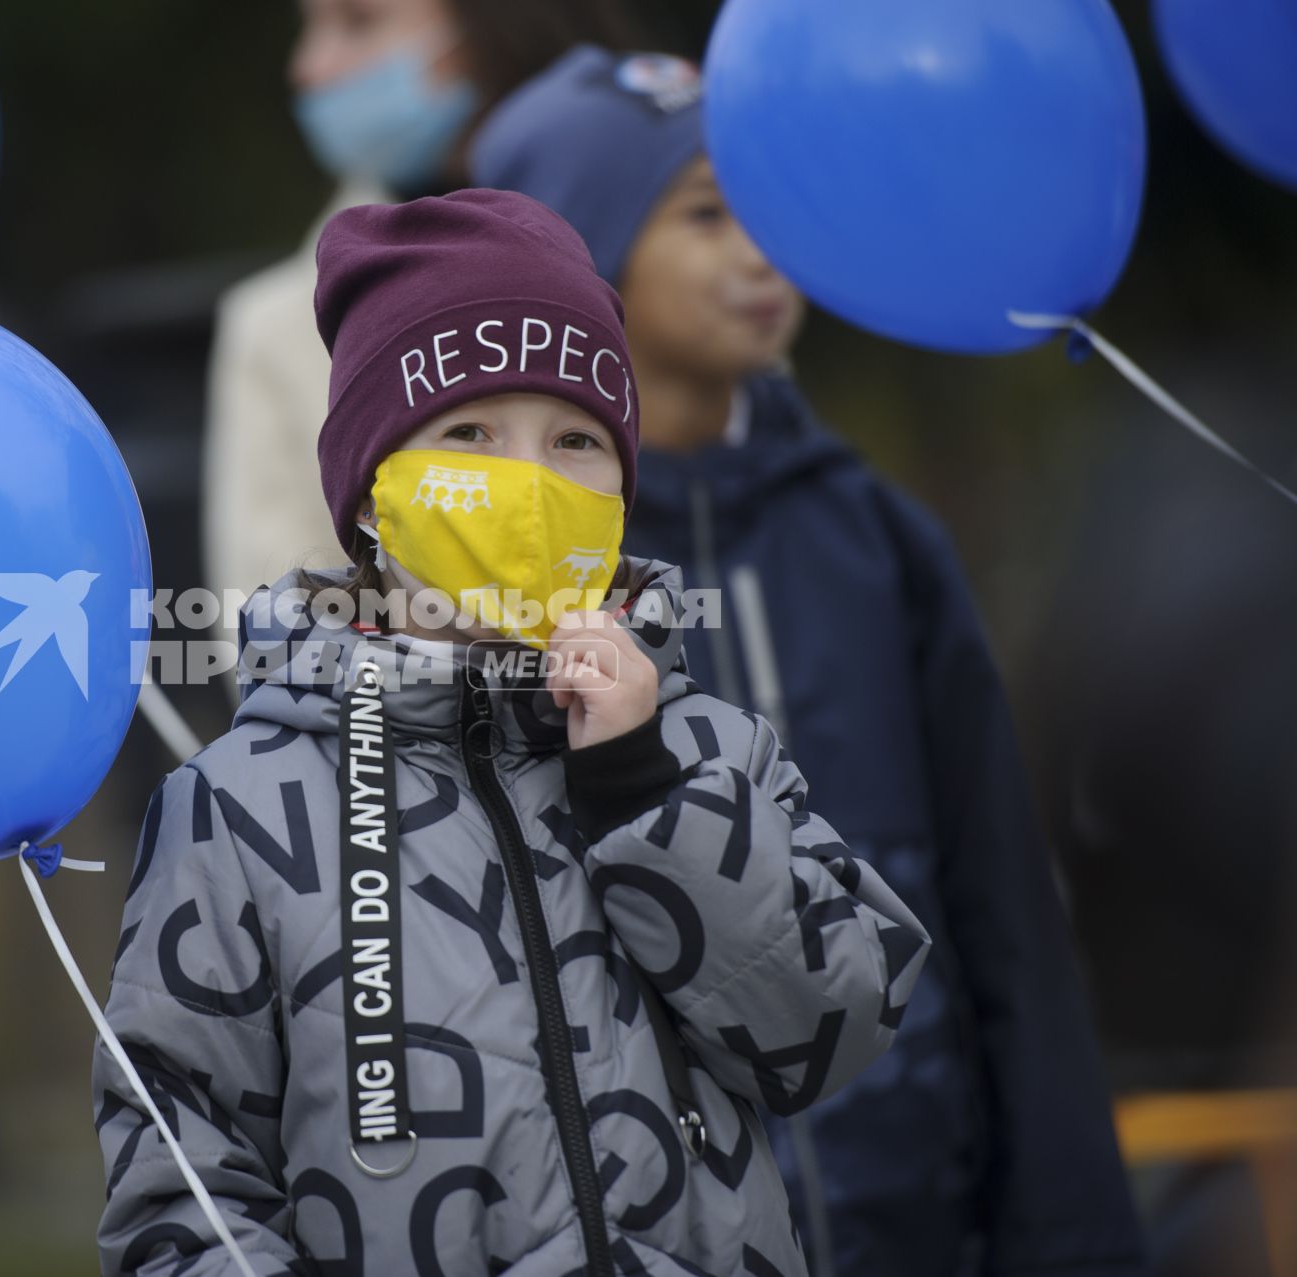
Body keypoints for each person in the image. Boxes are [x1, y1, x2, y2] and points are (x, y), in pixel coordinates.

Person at [92, 188, 930, 1275]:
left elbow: (832, 1026)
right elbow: (179, 1177)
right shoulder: (235, 806)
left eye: (577, 438)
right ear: (369, 495)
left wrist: (648, 791)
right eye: (470, 433)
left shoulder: (712, 749)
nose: (530, 481)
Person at [472, 47, 1145, 1277]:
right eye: (707, 213)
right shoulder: (504, 584)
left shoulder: (878, 539)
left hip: (915, 1216)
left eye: (775, 204)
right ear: (583, 258)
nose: (764, 250)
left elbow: (1000, 905)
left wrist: (1070, 1230)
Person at [203, 0, 638, 629]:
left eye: (359, 22)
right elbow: (259, 630)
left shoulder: (660, 263)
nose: (310, 67)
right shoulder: (271, 325)